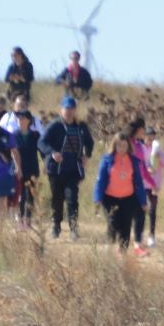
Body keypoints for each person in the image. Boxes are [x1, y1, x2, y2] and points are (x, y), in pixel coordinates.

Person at [38, 98, 96, 241]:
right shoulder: (55, 125)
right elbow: (41, 142)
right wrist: (52, 153)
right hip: (56, 169)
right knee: (57, 199)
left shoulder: (81, 126)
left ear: (75, 110)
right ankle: (56, 226)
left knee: (72, 198)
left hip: (73, 169)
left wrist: (86, 155)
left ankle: (73, 228)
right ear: (61, 109)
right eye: (66, 108)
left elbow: (90, 142)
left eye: (71, 108)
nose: (69, 111)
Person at [92, 132, 148, 253]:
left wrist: (143, 201)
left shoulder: (134, 161)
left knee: (126, 227)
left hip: (128, 199)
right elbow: (100, 180)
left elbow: (138, 183)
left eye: (124, 146)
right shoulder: (107, 160)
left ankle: (122, 253)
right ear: (114, 146)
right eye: (119, 146)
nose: (121, 149)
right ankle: (109, 249)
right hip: (110, 199)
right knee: (113, 223)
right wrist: (98, 198)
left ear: (128, 146)